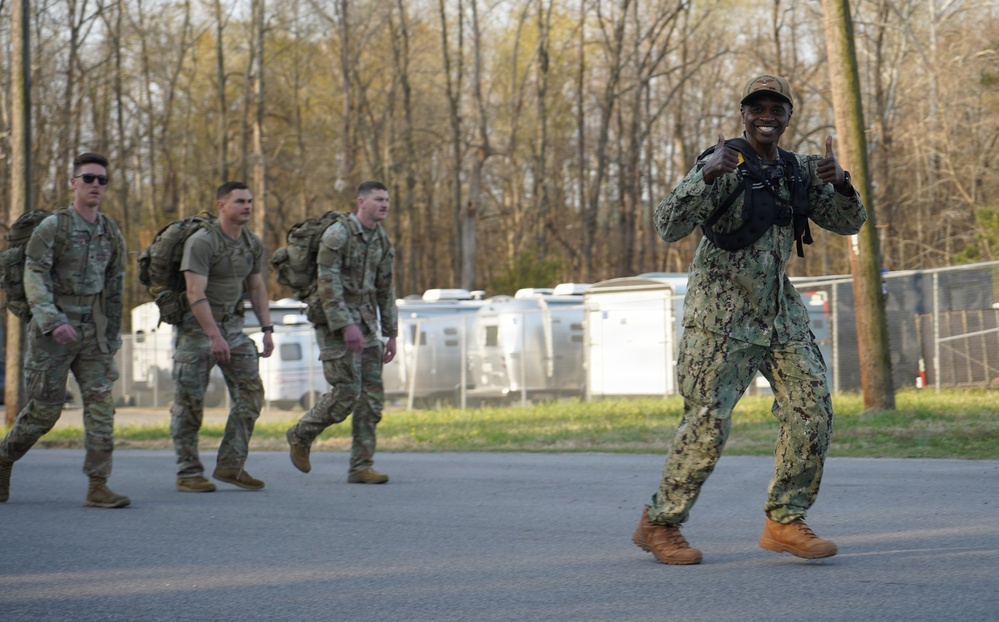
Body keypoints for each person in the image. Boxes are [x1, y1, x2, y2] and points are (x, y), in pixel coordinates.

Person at [632, 74, 867, 564]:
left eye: (775, 109)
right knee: (706, 425)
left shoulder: (801, 170)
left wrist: (841, 183)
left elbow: (848, 223)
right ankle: (660, 523)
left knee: (812, 412)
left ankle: (784, 519)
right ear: (743, 114)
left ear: (787, 116)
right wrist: (707, 175)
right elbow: (667, 225)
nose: (766, 116)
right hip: (718, 319)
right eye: (756, 108)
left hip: (780, 318)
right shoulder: (722, 162)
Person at [0, 152, 129, 508]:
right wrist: (51, 320)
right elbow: (34, 274)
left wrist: (112, 337)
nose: (95, 186)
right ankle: (4, 457)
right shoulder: (53, 227)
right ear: (73, 183)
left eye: (102, 180)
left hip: (92, 335)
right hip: (51, 335)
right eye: (88, 178)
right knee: (45, 412)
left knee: (102, 406)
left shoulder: (110, 231)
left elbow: (115, 286)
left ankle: (98, 485)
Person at [285, 181, 397, 483]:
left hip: (367, 323)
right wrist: (346, 325)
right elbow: (327, 283)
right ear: (361, 201)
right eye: (378, 199)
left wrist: (392, 333)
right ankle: (300, 433)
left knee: (371, 399)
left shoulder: (381, 239)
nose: (384, 204)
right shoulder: (339, 234)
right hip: (334, 321)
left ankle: (361, 466)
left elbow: (386, 288)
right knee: (346, 394)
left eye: (387, 200)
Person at [171, 181, 274, 492]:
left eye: (250, 201)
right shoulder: (203, 242)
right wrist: (214, 336)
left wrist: (267, 329)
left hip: (233, 328)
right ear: (221, 205)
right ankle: (188, 473)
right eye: (240, 201)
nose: (247, 206)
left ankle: (231, 464)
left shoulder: (251, 244)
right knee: (189, 403)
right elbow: (194, 291)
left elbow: (256, 288)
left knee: (251, 394)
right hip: (197, 331)